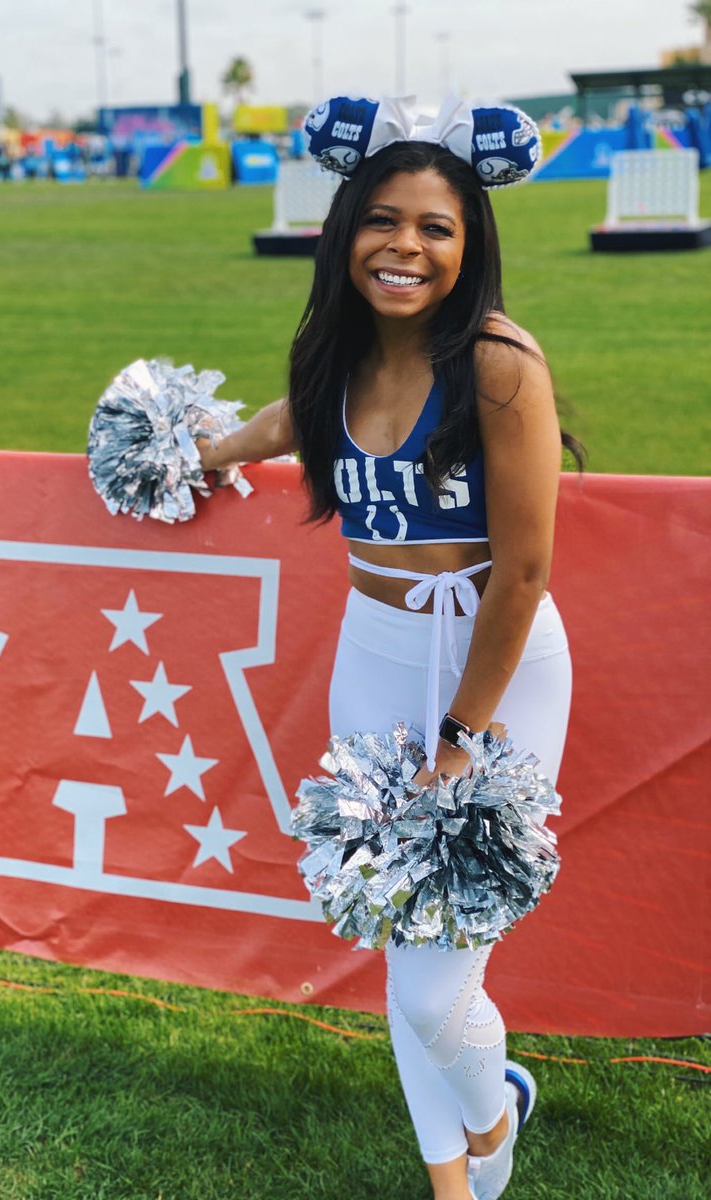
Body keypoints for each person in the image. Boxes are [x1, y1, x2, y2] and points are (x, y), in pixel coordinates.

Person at [196, 94, 580, 1200]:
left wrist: (463, 736)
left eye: (436, 227)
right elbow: (291, 421)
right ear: (346, 229)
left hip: (495, 670)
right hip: (372, 650)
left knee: (433, 978)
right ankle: (455, 1185)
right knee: (397, 933)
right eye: (383, 220)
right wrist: (202, 451)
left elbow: (524, 572)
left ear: (471, 245)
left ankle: (497, 1108)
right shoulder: (336, 352)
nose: (405, 246)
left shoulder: (500, 363)